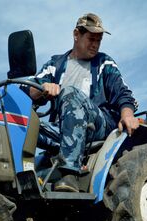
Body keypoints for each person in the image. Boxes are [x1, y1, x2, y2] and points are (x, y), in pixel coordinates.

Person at [28, 13, 140, 192]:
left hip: (96, 125)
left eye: (99, 40)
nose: (95, 44)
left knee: (70, 93)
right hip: (63, 128)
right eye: (91, 38)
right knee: (22, 124)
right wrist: (42, 89)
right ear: (76, 34)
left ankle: (69, 173)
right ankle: (18, 176)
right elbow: (31, 89)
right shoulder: (55, 64)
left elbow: (122, 91)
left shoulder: (104, 62)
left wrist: (127, 114)